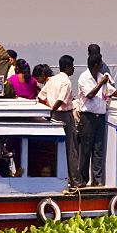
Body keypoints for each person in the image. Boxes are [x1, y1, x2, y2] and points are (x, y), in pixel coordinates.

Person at [77, 53, 117, 187]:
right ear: (95, 65)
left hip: (100, 117)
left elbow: (111, 92)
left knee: (98, 150)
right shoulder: (84, 78)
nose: (102, 65)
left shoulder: (99, 77)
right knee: (86, 150)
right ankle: (83, 179)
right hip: (88, 117)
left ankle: (97, 179)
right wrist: (101, 83)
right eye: (100, 63)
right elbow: (90, 95)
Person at [38, 55, 82, 188]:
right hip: (64, 115)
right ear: (67, 67)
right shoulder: (66, 82)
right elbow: (61, 100)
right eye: (72, 66)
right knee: (71, 149)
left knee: (54, 147)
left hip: (52, 116)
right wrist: (53, 109)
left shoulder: (52, 80)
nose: (73, 69)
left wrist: (48, 110)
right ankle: (76, 181)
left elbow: (40, 97)